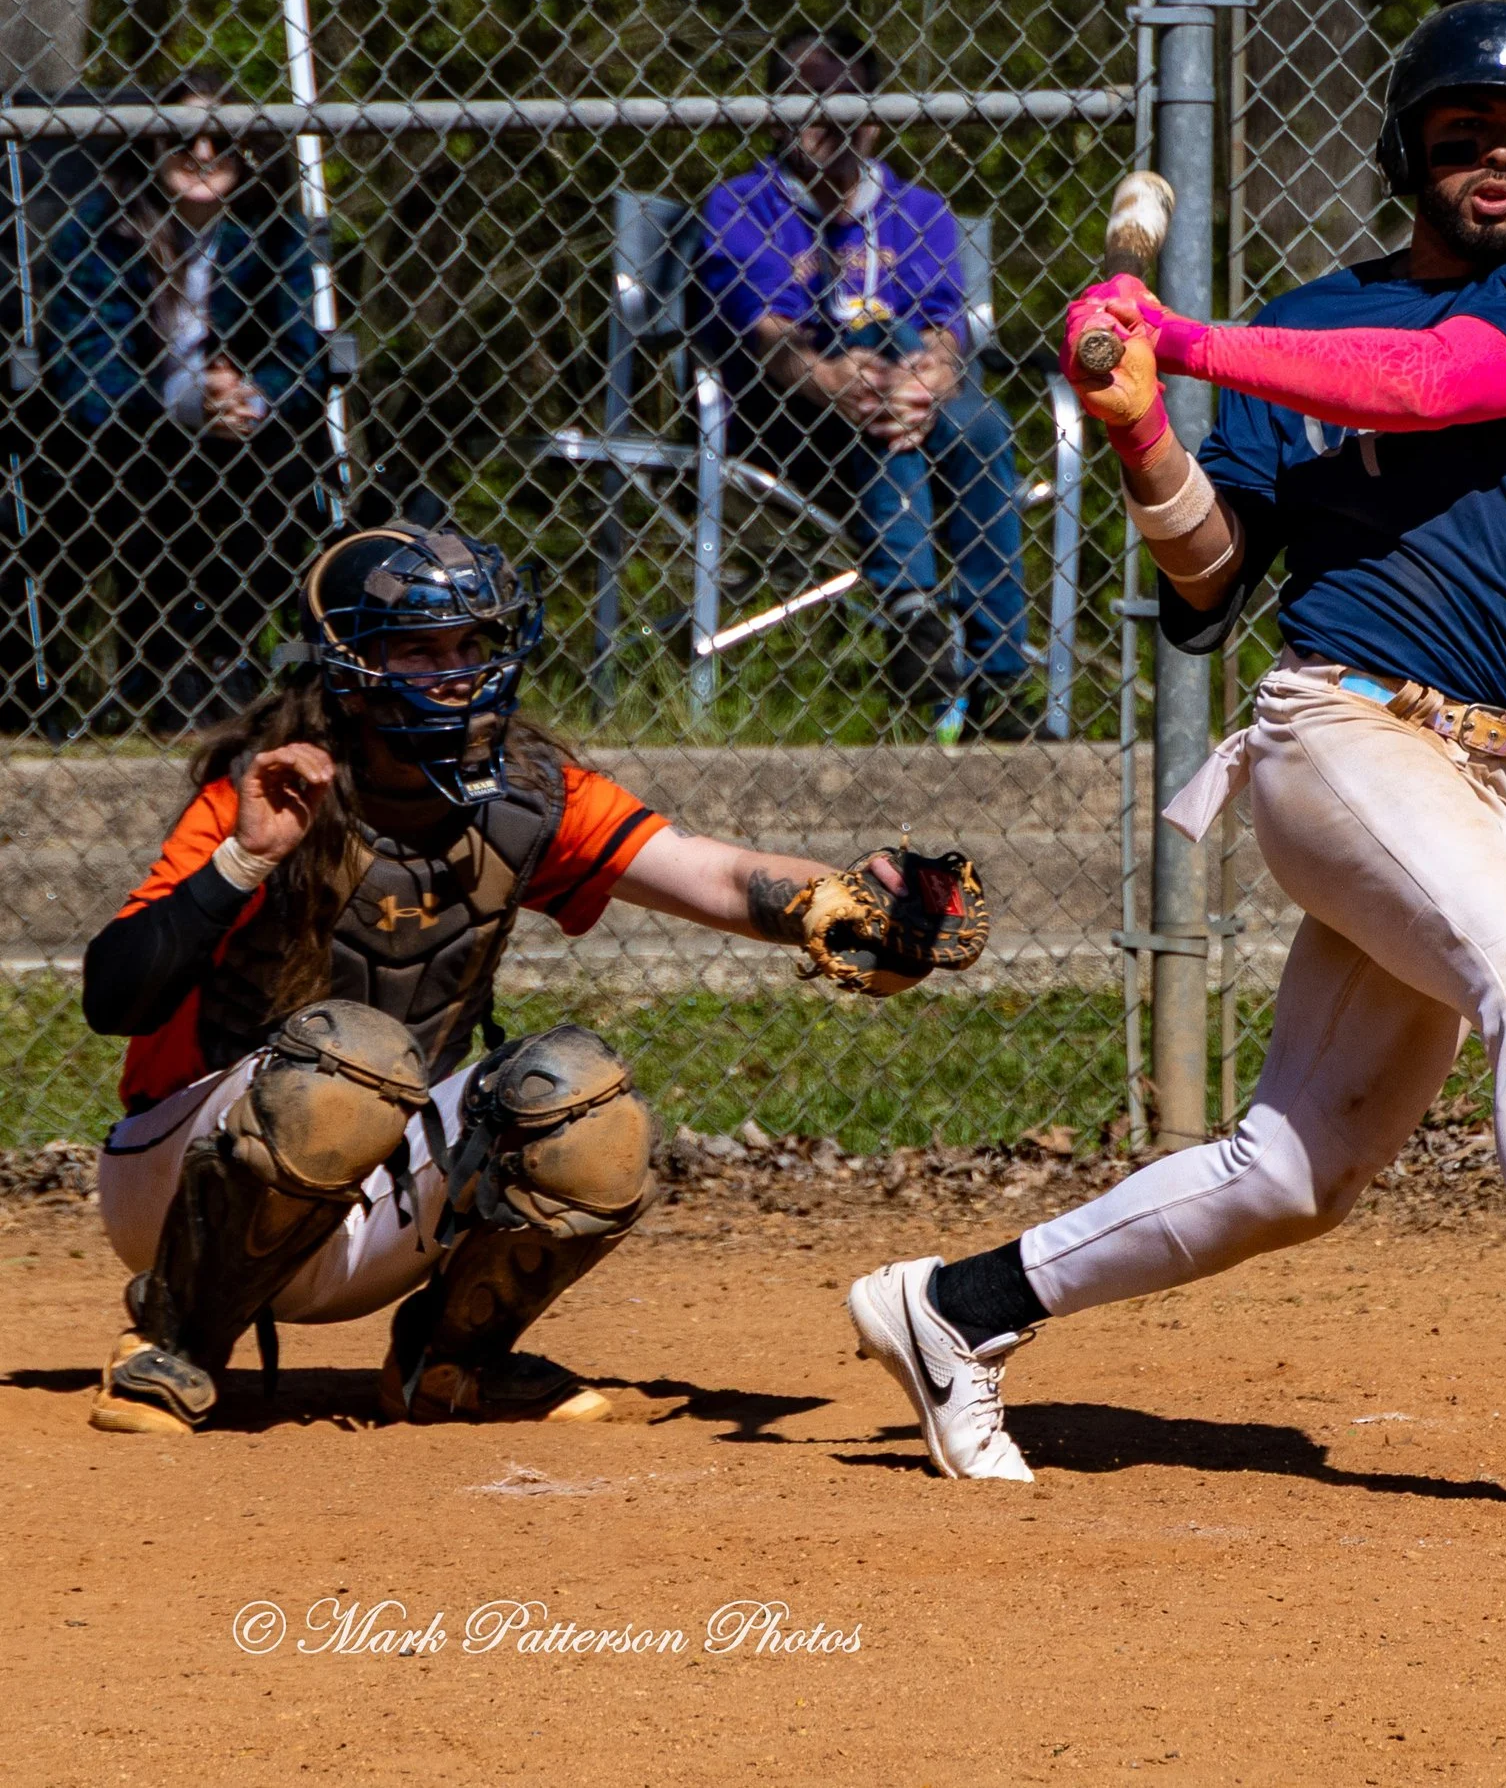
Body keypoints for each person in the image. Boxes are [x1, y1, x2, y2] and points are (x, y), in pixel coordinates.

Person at [844, 1, 1506, 1519]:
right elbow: (1209, 579)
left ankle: (955, 1303)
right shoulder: (1298, 325)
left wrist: (1178, 341)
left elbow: (1432, 382)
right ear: (1409, 151)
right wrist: (1141, 437)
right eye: (1463, 132)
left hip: (1493, 771)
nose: (1497, 156)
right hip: (1342, 728)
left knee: (1297, 1170)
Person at [80, 517, 984, 1436]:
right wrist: (245, 857)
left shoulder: (527, 792)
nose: (460, 670)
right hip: (184, 1182)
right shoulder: (273, 792)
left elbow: (708, 873)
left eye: (470, 644)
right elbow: (115, 998)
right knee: (355, 1054)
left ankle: (446, 1364)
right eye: (422, 650)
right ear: (351, 668)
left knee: (585, 1101)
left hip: (376, 1185)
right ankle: (174, 1341)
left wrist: (846, 909)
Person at [697, 27, 1039, 739]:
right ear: (773, 113)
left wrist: (929, 372)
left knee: (970, 414)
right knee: (885, 348)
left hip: (914, 417)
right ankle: (996, 675)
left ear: (876, 117)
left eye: (843, 103)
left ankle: (925, 624)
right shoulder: (741, 205)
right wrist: (831, 374)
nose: (825, 122)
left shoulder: (922, 213)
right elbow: (768, 335)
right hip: (788, 426)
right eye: (804, 102)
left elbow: (949, 329)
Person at [41, 69, 328, 732]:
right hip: (132, 435)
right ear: (151, 144)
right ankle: (154, 670)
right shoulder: (102, 231)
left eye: (221, 139)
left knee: (288, 457)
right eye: (182, 137)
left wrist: (247, 400)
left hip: (249, 440)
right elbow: (91, 375)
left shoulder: (273, 234)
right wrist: (185, 401)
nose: (202, 154)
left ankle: (234, 659)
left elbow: (300, 354)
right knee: (142, 466)